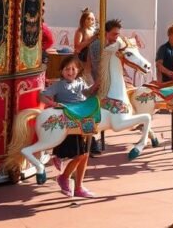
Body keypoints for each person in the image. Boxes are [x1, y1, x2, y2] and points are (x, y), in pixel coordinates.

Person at [39, 56, 96, 198]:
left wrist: (99, 84)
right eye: (67, 69)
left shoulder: (81, 82)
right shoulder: (59, 85)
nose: (70, 72)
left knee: (86, 154)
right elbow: (42, 96)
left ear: (78, 70)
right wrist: (54, 104)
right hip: (70, 119)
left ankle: (79, 186)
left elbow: (89, 93)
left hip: (84, 117)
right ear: (62, 71)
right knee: (80, 154)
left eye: (73, 69)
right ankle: (64, 176)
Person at [86, 18, 122, 155]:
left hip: (110, 81)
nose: (116, 37)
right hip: (96, 80)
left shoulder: (115, 45)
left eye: (118, 34)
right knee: (95, 106)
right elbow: (99, 68)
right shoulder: (97, 45)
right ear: (105, 33)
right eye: (114, 34)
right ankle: (91, 139)